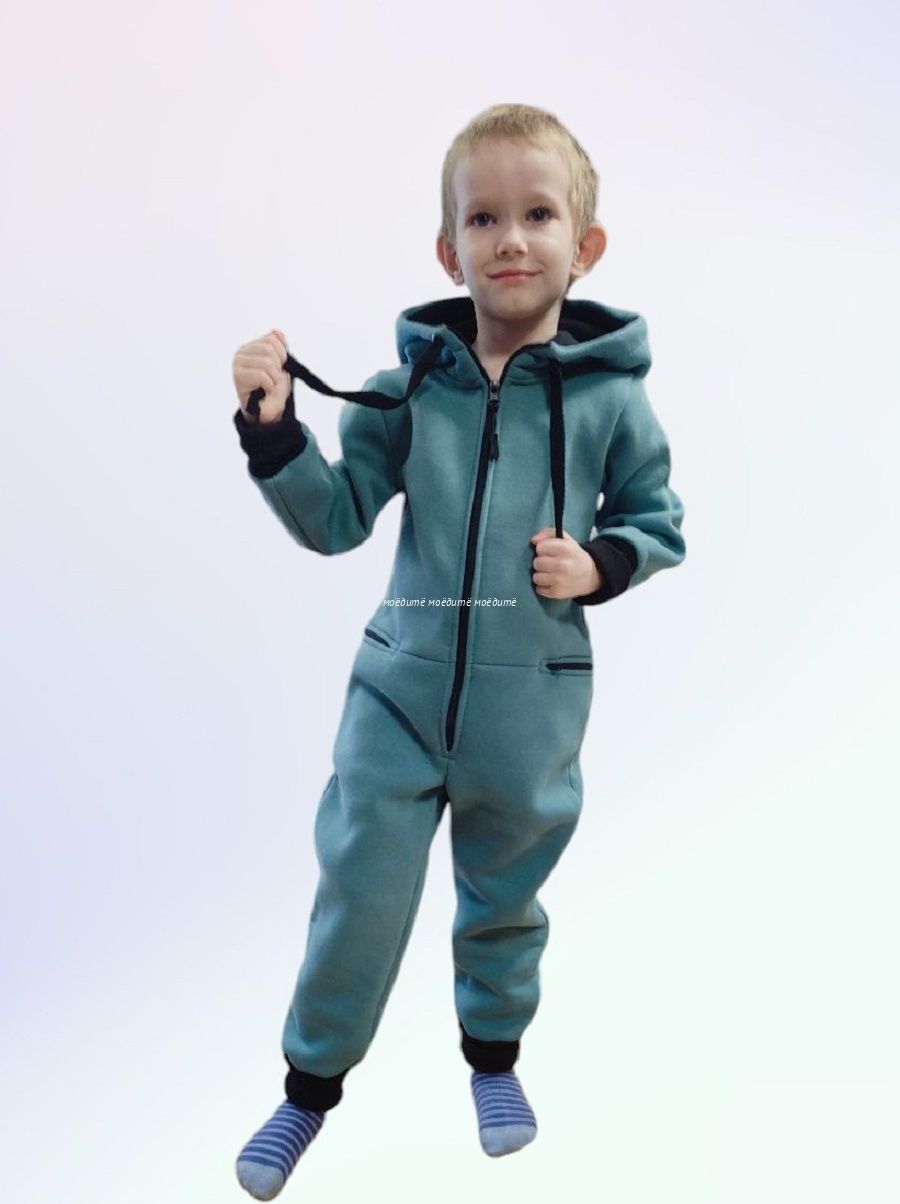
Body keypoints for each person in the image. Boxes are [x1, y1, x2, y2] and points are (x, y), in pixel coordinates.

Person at [230, 102, 686, 1199]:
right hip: (399, 692)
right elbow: (335, 518)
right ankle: (307, 1088)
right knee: (359, 891)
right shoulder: (409, 390)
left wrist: (599, 563)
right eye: (483, 218)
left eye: (538, 215)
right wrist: (275, 429)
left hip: (531, 706)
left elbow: (658, 520)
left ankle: (494, 1062)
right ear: (449, 251)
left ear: (586, 245)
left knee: (504, 902)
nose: (510, 239)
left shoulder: (613, 398)